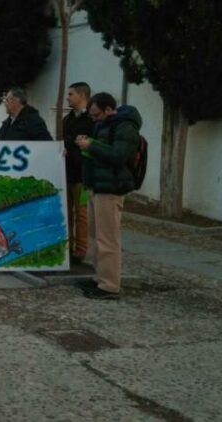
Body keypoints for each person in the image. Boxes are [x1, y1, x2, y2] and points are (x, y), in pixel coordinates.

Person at [75, 92, 142, 300]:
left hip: (111, 188)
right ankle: (99, 277)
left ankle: (109, 285)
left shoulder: (125, 126)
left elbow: (119, 156)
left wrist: (91, 145)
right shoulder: (104, 125)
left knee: (108, 239)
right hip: (97, 186)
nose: (94, 119)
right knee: (97, 236)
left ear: (108, 109)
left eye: (96, 115)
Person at [63, 82, 95, 264]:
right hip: (67, 172)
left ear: (82, 95)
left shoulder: (90, 120)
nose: (68, 98)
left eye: (71, 94)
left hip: (83, 175)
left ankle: (81, 249)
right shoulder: (68, 120)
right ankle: (68, 245)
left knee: (81, 212)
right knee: (67, 211)